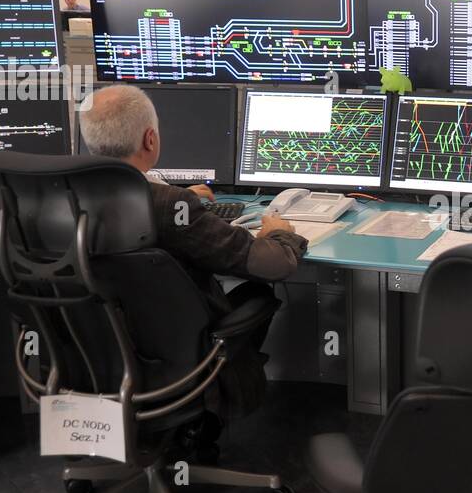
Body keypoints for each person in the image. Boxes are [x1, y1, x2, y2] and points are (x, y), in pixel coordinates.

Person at [78, 84, 307, 418]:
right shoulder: (168, 206)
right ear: (150, 140)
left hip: (91, 360)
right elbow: (273, 264)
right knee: (255, 291)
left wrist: (175, 196)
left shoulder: (61, 201)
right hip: (177, 364)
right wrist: (280, 236)